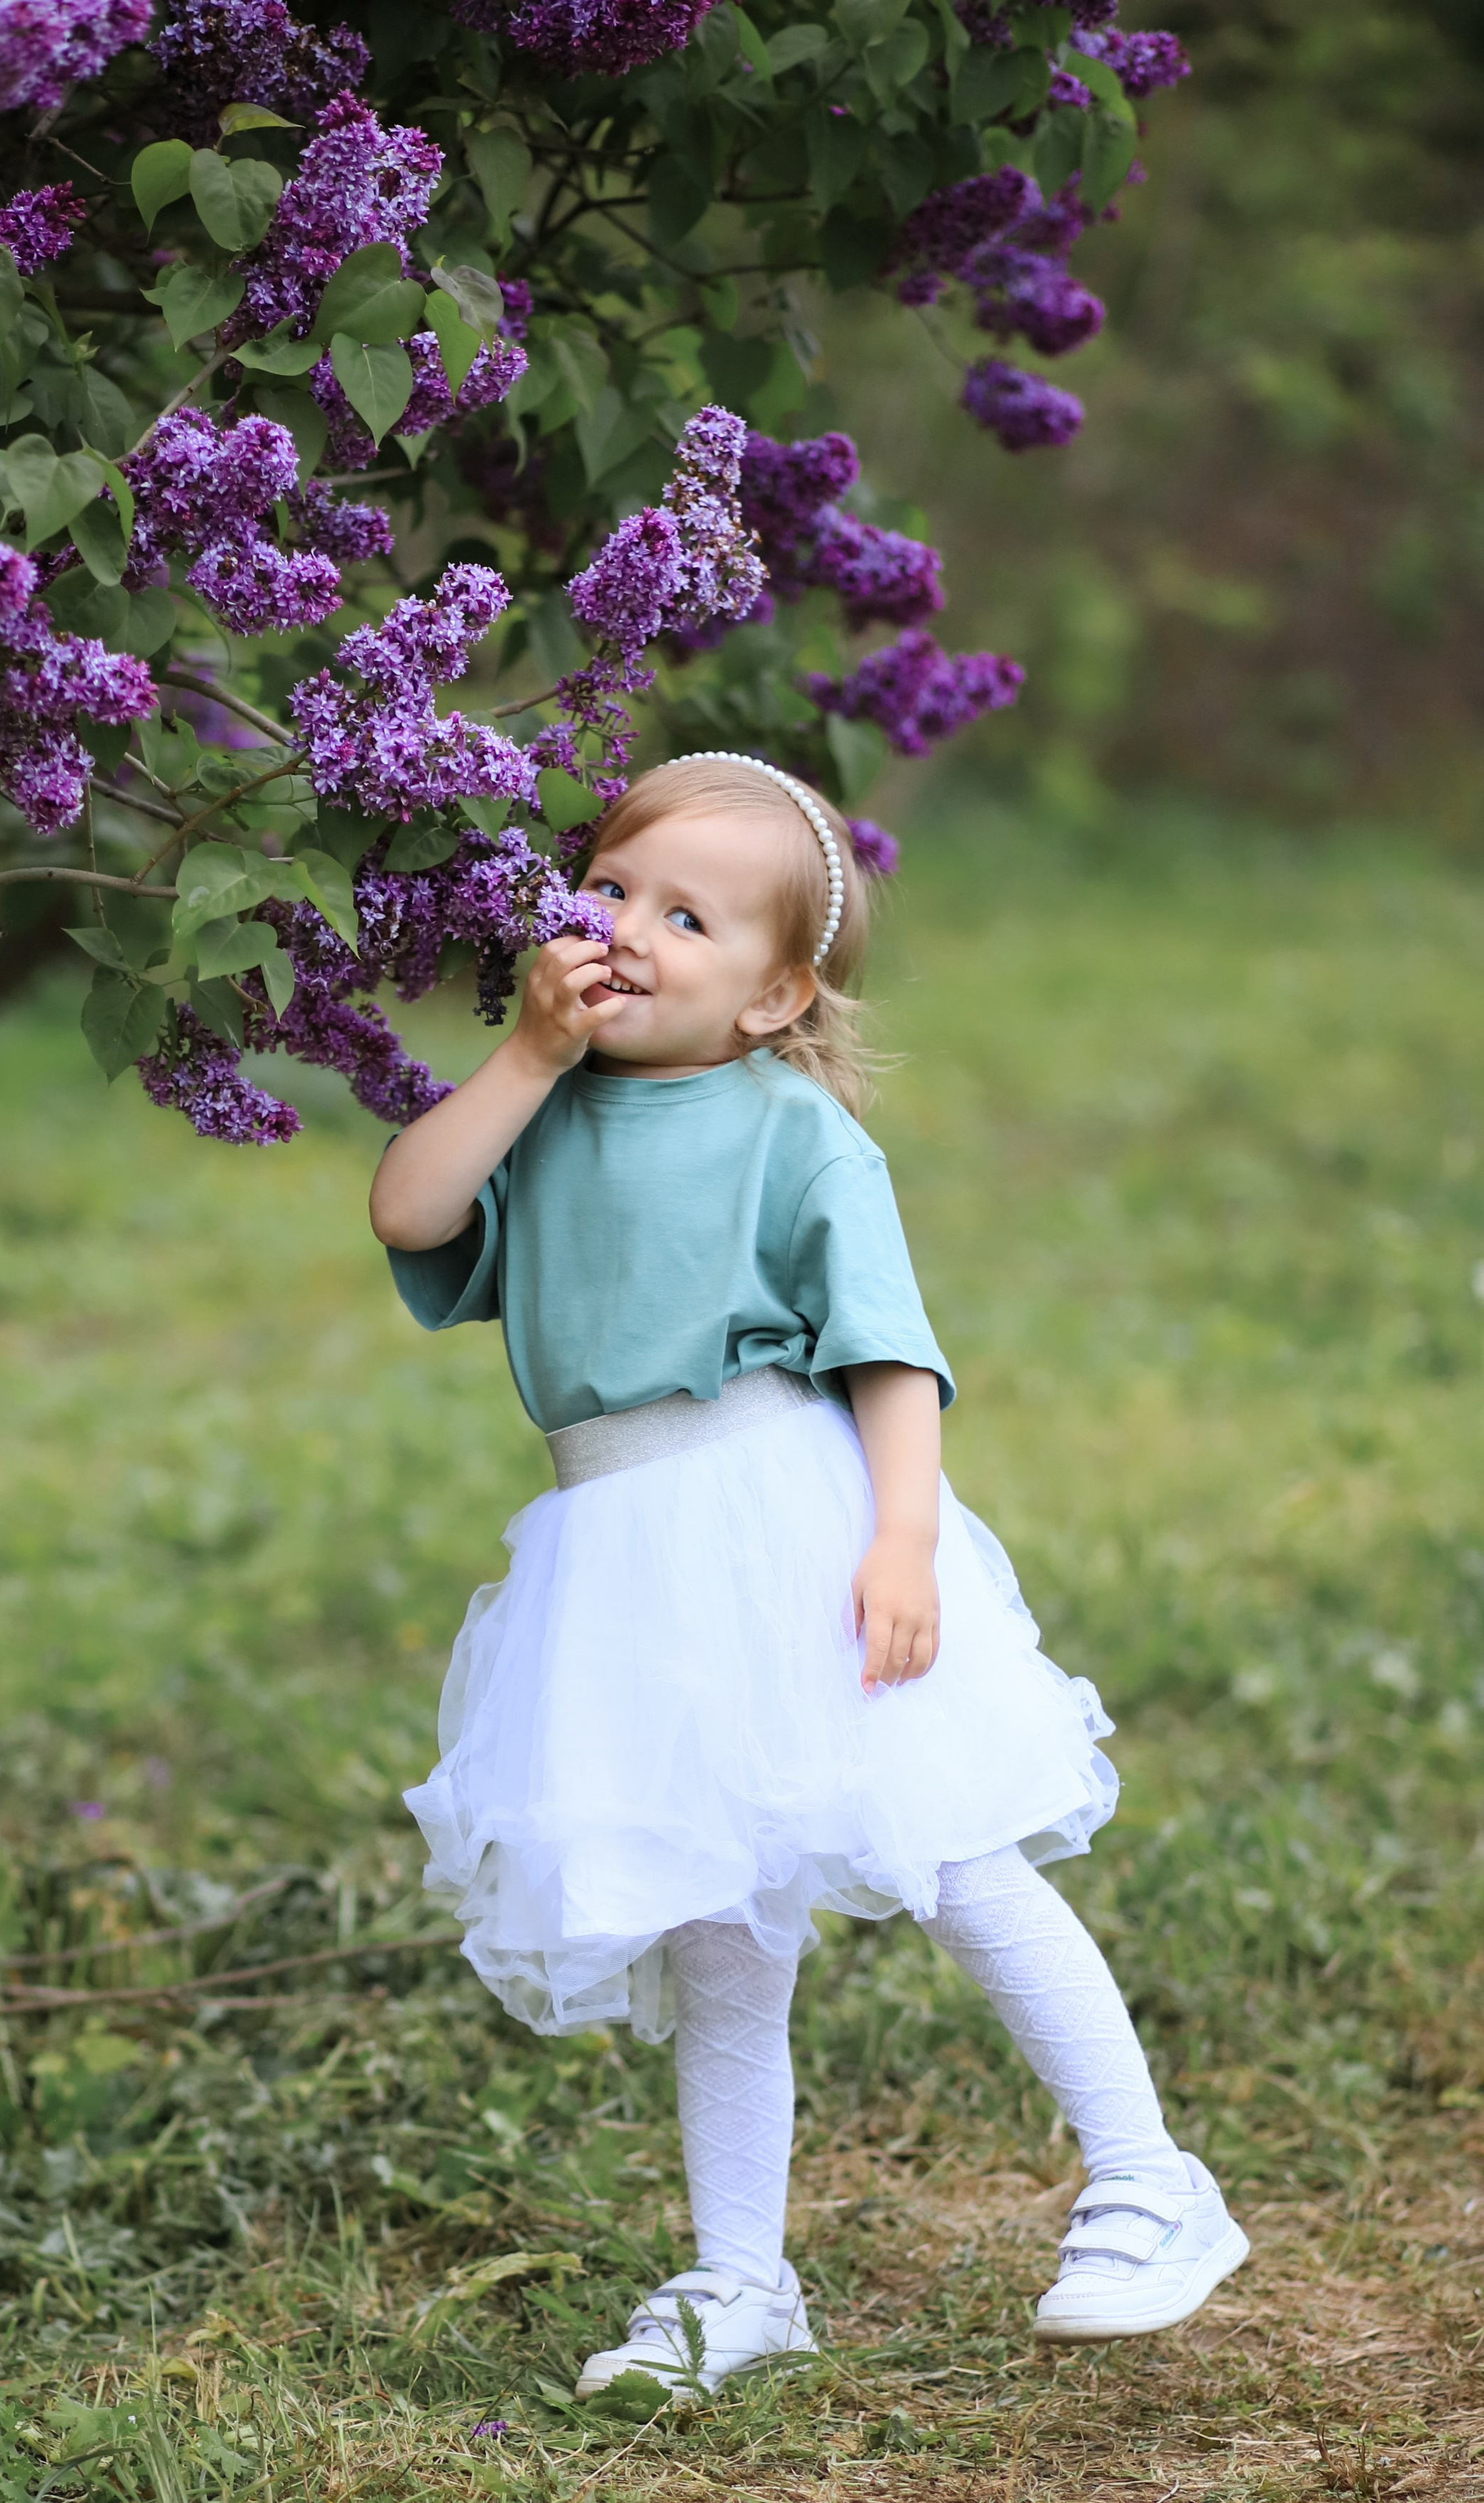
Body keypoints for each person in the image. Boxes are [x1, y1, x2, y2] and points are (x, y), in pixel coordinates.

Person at [369, 751, 1247, 2400]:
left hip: (784, 1515)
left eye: (684, 916)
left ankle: (1148, 2180)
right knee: (714, 1933)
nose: (628, 930)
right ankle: (736, 2279)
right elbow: (407, 1205)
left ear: (774, 996)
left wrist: (899, 1537)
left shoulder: (793, 1136)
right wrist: (523, 1048)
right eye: (609, 891)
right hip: (619, 1554)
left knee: (947, 1850)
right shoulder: (542, 1107)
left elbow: (890, 1357)